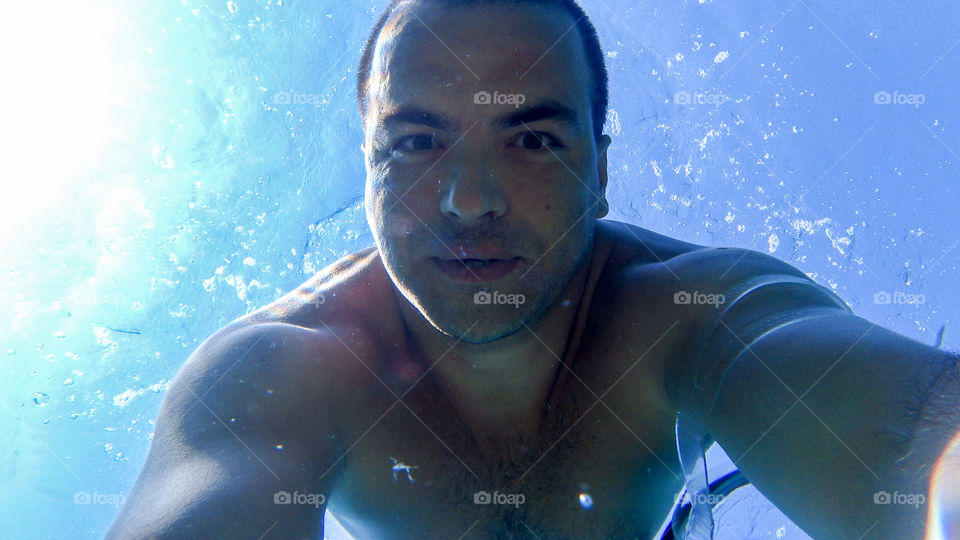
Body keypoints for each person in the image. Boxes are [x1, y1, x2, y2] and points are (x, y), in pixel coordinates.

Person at [106, 0, 959, 538]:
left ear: (603, 174)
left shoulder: (698, 313)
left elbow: (914, 441)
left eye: (534, 140)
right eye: (414, 143)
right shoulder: (284, 369)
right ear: (366, 174)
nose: (469, 200)